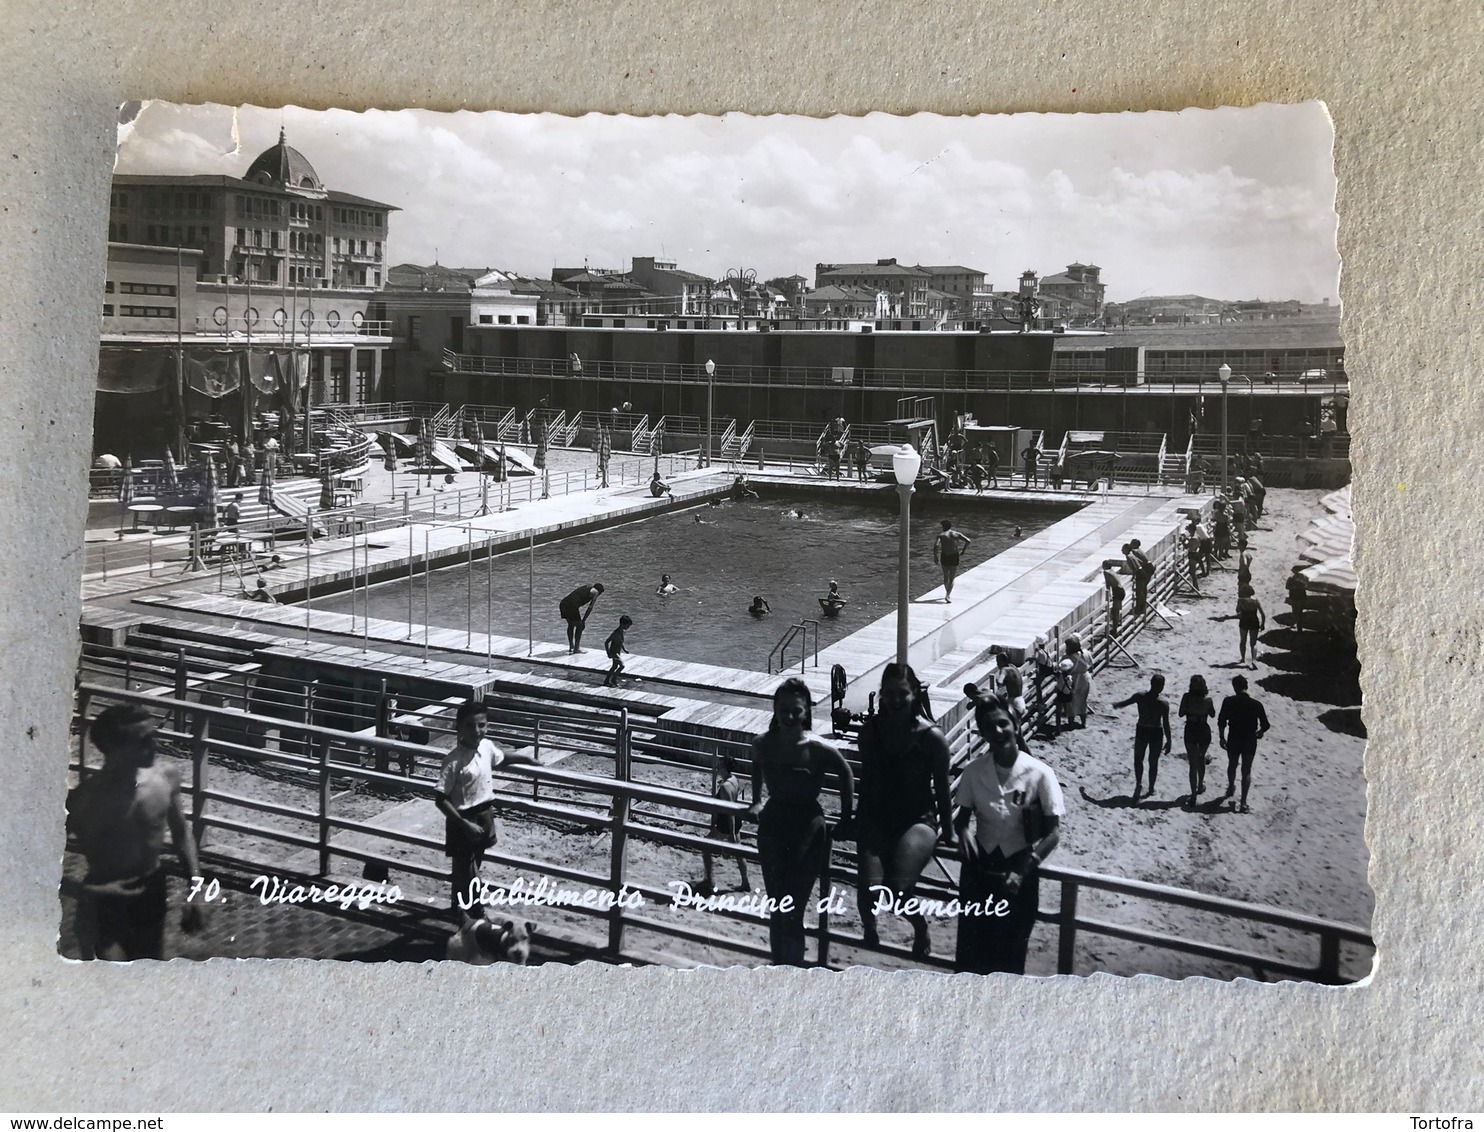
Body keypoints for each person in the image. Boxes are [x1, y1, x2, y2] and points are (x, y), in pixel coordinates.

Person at [66, 704, 204, 960]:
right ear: (114, 749)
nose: (153, 745)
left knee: (148, 970)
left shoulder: (166, 777)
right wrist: (84, 898)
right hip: (105, 899)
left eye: (153, 736)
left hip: (152, 891)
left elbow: (182, 833)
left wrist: (195, 889)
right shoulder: (85, 800)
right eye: (142, 740)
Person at [953, 690, 1064, 975]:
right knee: (970, 959)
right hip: (978, 872)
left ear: (1015, 724)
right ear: (982, 732)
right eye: (989, 726)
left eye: (1003, 723)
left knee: (1010, 960)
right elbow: (962, 818)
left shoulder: (1040, 773)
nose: (998, 731)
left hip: (1019, 873)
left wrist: (1025, 868)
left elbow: (1053, 833)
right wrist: (963, 832)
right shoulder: (974, 772)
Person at [745, 678, 855, 966]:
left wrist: (846, 817)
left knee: (794, 907)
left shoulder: (818, 747)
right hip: (774, 824)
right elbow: (756, 763)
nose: (791, 716)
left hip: (808, 827)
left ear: (806, 711)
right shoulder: (763, 742)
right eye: (785, 710)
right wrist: (756, 800)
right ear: (775, 710)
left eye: (797, 710)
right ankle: (779, 965)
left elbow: (846, 774)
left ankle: (791, 967)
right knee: (777, 905)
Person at [853, 664, 954, 958]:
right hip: (877, 815)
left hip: (917, 819)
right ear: (881, 695)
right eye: (890, 694)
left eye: (903, 694)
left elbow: (943, 790)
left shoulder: (932, 738)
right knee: (869, 890)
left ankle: (920, 927)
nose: (896, 700)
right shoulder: (870, 732)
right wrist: (857, 821)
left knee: (897, 891)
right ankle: (869, 927)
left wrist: (947, 830)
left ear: (914, 694)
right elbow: (867, 781)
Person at [435, 699, 536, 914]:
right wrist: (464, 824)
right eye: (470, 725)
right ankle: (476, 915)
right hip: (462, 820)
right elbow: (440, 799)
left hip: (484, 814)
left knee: (471, 867)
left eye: (482, 725)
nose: (476, 731)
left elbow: (502, 758)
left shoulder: (487, 747)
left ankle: (458, 909)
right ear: (459, 727)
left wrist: (526, 759)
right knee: (469, 872)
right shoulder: (453, 761)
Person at [1113, 674, 1172, 801]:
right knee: (1153, 762)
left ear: (1151, 683)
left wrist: (1116, 704)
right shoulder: (1163, 703)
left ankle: (1139, 783)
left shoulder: (1140, 696)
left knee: (1138, 759)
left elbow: (1124, 703)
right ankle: (1151, 788)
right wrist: (1169, 740)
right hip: (1156, 731)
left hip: (1142, 729)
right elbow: (1166, 723)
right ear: (1162, 687)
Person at [1217, 674, 1271, 813]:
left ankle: (1230, 787)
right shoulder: (1256, 704)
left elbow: (1221, 721)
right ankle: (1243, 802)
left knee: (1232, 764)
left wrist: (1222, 737)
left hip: (1234, 737)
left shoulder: (1228, 701)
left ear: (1235, 687)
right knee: (1246, 770)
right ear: (1246, 686)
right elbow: (1265, 725)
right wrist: (1260, 732)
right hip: (1249, 739)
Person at [701, 753, 751, 895]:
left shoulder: (725, 787)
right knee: (739, 853)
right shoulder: (734, 780)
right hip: (735, 822)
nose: (717, 768)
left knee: (705, 847)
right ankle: (745, 882)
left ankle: (709, 881)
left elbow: (729, 811)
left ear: (724, 768)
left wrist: (731, 833)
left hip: (726, 825)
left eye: (719, 766)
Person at [1178, 674, 1216, 805]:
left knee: (1192, 764)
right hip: (1203, 729)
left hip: (1191, 729)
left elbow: (1181, 713)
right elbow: (1212, 714)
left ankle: (1193, 795)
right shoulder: (1208, 700)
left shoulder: (1186, 697)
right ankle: (1200, 785)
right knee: (1201, 758)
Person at [558, 582, 604, 653]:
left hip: (563, 603)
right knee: (580, 626)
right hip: (572, 606)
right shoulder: (596, 592)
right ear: (600, 591)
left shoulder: (587, 587)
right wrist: (583, 620)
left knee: (571, 625)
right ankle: (576, 648)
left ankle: (571, 646)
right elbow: (590, 608)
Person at [933, 518, 972, 603]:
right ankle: (948, 595)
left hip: (945, 556)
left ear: (943, 527)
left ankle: (948, 593)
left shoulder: (941, 535)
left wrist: (935, 557)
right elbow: (968, 541)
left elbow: (936, 546)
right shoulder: (957, 534)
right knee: (952, 578)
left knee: (946, 577)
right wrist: (963, 551)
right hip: (954, 556)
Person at [1235, 583, 1266, 668]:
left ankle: (1242, 658)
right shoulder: (1255, 600)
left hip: (1244, 621)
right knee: (1253, 643)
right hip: (1254, 621)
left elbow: (1237, 611)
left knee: (1243, 641)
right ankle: (1254, 660)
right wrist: (1262, 624)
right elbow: (1263, 614)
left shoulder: (1241, 600)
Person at [1065, 635, 1091, 728]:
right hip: (1085, 678)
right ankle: (1084, 723)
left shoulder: (1067, 657)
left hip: (1073, 681)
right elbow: (1090, 663)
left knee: (1071, 702)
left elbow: (1063, 669)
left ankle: (1071, 724)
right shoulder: (1086, 653)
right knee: (1083, 700)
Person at [602, 615, 633, 687]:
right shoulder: (616, 633)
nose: (628, 627)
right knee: (622, 666)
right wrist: (608, 653)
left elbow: (621, 642)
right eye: (628, 625)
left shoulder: (622, 632)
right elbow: (606, 642)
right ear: (623, 624)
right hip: (614, 652)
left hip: (618, 652)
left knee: (614, 667)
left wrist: (624, 649)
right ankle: (613, 679)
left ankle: (607, 680)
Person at [1126, 538, 1154, 617]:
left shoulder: (1135, 552)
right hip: (1148, 567)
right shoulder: (1138, 550)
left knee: (1140, 590)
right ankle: (1142, 606)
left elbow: (1137, 563)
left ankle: (1140, 608)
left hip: (1146, 568)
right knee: (1143, 588)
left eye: (1132, 544)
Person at [1102, 560, 1125, 636]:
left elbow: (1107, 584)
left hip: (1117, 591)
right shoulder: (1111, 571)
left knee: (1115, 612)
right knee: (1116, 611)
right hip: (1120, 590)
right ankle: (1116, 626)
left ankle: (1114, 630)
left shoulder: (1106, 572)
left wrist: (1108, 595)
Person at [1285, 564, 1308, 631]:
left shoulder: (1303, 578)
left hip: (1299, 597)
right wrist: (1294, 587)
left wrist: (1299, 587)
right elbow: (1287, 587)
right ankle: (1295, 624)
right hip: (1295, 597)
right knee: (1295, 611)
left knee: (1299, 611)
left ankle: (1298, 626)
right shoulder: (1291, 578)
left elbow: (1306, 585)